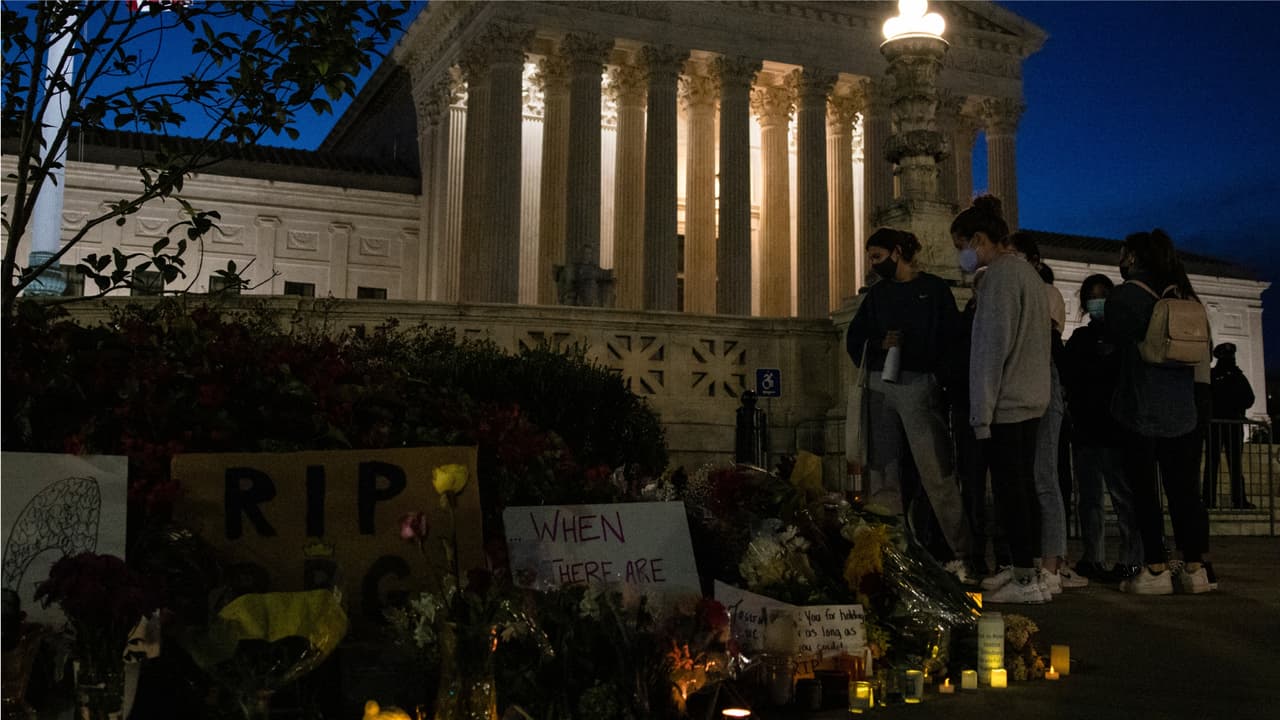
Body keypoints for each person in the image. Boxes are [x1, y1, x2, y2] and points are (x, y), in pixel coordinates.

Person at [845, 227, 973, 583]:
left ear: (897, 252)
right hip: (880, 385)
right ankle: (891, 551)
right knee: (882, 471)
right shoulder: (877, 294)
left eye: (877, 257)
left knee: (936, 471)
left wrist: (938, 377)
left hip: (919, 384)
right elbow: (855, 338)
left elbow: (950, 339)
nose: (873, 264)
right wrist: (879, 342)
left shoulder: (933, 289)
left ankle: (961, 553)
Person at [951, 196, 1051, 604]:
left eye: (961, 246)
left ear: (979, 239)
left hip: (1007, 404)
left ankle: (1024, 577)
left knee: (1011, 493)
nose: (961, 256)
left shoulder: (1000, 278)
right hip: (1031, 398)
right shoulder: (1027, 274)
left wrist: (981, 413)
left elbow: (991, 350)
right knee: (1023, 487)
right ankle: (1028, 570)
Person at [1106, 229, 1214, 594]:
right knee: (1184, 491)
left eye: (1123, 254)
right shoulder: (1183, 295)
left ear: (1133, 257)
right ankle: (1195, 568)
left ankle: (1156, 567)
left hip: (1140, 406)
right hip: (1182, 408)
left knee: (1144, 491)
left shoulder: (1126, 296)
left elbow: (1114, 344)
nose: (1120, 260)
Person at [1009, 234, 1087, 594]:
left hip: (1043, 382)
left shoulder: (1047, 293)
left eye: (1016, 256)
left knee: (1044, 475)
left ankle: (1053, 564)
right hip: (1021, 383)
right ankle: (1032, 560)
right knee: (1025, 478)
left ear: (1034, 261)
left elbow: (1041, 335)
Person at [1060, 273, 1142, 581]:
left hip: (1115, 429)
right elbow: (1068, 375)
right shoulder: (1080, 339)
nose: (1096, 302)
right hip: (1086, 429)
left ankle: (1130, 558)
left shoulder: (1124, 338)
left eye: (1102, 295)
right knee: (1089, 499)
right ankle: (1092, 556)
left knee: (1123, 498)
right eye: (1091, 297)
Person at [1207, 343, 1256, 509]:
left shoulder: (1228, 376)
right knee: (1218, 463)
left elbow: (1249, 399)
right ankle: (1216, 499)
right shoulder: (1220, 375)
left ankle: (1230, 499)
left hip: (1227, 425)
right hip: (1221, 425)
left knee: (1229, 464)